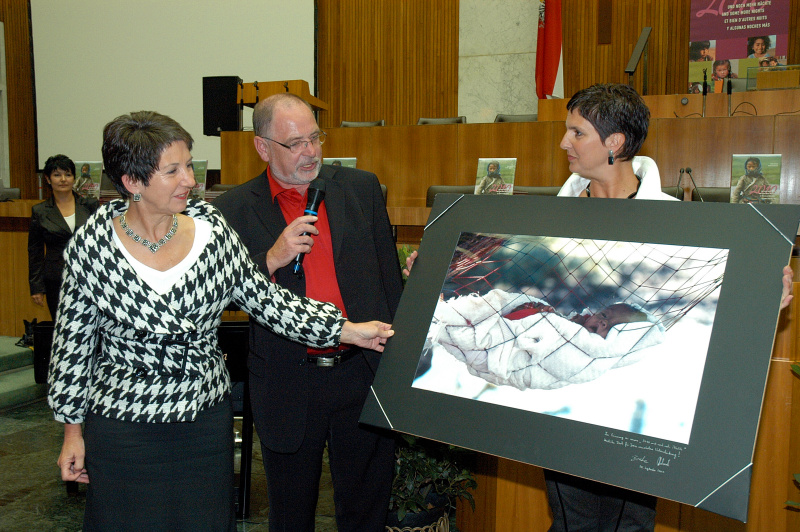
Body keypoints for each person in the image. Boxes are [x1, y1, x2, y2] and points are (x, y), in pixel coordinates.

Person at [47, 110, 394, 532]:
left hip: (203, 424)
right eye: (173, 170)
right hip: (123, 429)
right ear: (132, 182)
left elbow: (267, 301)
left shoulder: (210, 228)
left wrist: (347, 330)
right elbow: (72, 345)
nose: (190, 180)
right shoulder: (92, 246)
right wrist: (72, 431)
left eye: (189, 165)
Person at [213, 93, 403, 532]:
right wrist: (270, 258)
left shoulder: (360, 188)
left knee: (366, 510)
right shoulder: (232, 210)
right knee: (291, 515)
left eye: (314, 138)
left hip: (362, 371)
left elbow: (389, 283)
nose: (311, 152)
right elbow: (219, 296)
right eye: (295, 143)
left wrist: (397, 365)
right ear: (263, 147)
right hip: (288, 379)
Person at [28, 154, 99, 319]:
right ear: (47, 179)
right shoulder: (40, 211)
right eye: (57, 175)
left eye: (68, 174)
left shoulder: (90, 205)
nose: (63, 179)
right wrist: (36, 287)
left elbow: (100, 243)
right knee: (63, 326)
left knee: (90, 325)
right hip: (56, 277)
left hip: (88, 276)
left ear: (74, 178)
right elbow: (35, 252)